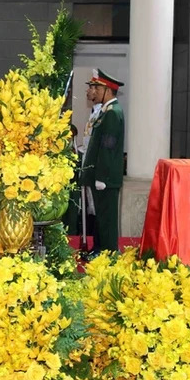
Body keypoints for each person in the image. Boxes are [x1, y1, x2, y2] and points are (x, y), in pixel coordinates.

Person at [80, 69, 125, 253]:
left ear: (107, 90)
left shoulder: (113, 113)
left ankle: (109, 252)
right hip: (100, 175)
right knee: (99, 216)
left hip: (105, 178)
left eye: (97, 88)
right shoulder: (105, 112)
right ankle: (99, 248)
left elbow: (108, 148)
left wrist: (101, 176)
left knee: (107, 218)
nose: (94, 91)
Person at [79, 74, 105, 245]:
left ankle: (99, 245)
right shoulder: (94, 112)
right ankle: (93, 243)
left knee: (97, 209)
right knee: (90, 208)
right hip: (87, 164)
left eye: (91, 87)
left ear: (98, 90)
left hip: (96, 168)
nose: (87, 91)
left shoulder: (103, 114)